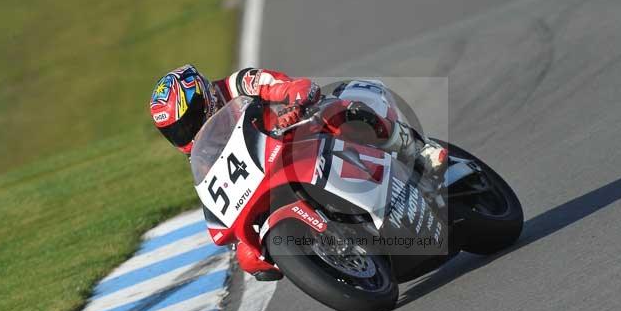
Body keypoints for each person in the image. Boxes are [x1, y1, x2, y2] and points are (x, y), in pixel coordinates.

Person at [149, 64, 446, 280]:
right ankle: (331, 249)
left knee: (342, 108)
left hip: (301, 136)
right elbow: (217, 202)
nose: (186, 133)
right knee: (248, 257)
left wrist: (295, 100)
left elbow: (285, 85)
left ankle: (416, 149)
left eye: (187, 122)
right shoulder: (201, 156)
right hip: (271, 179)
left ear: (205, 97)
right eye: (175, 131)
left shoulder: (239, 85)